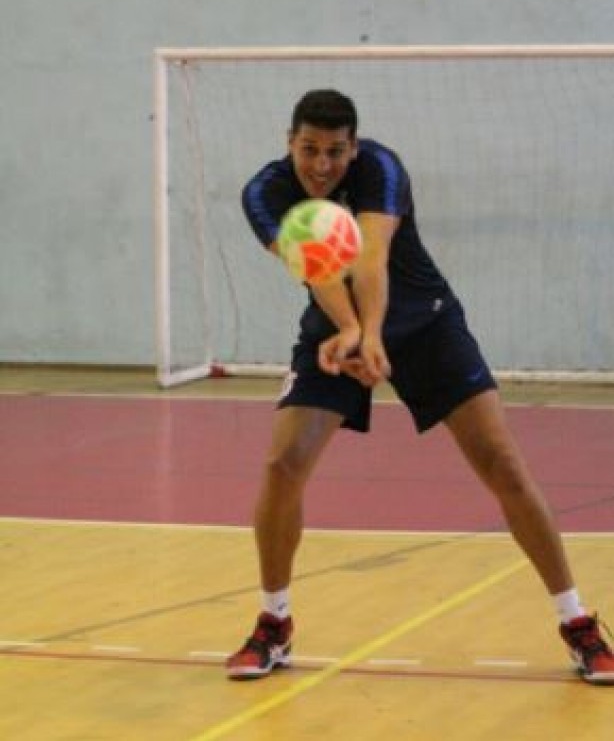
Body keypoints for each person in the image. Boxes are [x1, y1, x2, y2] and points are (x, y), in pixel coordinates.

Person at [227, 88, 613, 684]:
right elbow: (319, 269)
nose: (321, 165)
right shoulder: (266, 193)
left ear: (353, 147)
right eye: (309, 150)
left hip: (427, 324)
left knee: (501, 463)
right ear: (289, 143)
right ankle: (273, 621)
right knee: (284, 464)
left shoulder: (381, 168)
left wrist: (371, 334)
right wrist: (351, 331)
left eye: (334, 151)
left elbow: (372, 256)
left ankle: (577, 621)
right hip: (335, 328)